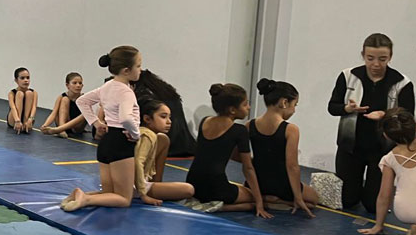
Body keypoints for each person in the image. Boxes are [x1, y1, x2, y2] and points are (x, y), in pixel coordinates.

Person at [328, 33, 415, 213]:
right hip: (350, 146)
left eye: (382, 59)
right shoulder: (348, 76)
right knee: (347, 201)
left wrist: (385, 115)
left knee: (372, 206)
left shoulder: (402, 83)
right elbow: (332, 107)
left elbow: (407, 117)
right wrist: (347, 109)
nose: (376, 64)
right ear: (363, 55)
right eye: (370, 58)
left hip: (383, 149)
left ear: (390, 57)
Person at [61, 97, 194, 211]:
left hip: (126, 180)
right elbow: (138, 163)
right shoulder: (148, 136)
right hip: (134, 185)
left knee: (111, 193)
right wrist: (144, 194)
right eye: (163, 117)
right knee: (188, 189)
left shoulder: (140, 132)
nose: (169, 121)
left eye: (169, 117)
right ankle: (87, 198)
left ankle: (83, 195)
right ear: (147, 119)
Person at [60, 47, 142, 211]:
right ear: (126, 70)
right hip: (121, 142)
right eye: (138, 66)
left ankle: (79, 194)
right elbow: (126, 118)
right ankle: (86, 199)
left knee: (109, 193)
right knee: (124, 198)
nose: (140, 70)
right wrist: (136, 134)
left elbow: (82, 101)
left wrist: (96, 123)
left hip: (106, 142)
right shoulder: (126, 92)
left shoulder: (107, 86)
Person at [186, 84, 271, 217]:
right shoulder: (239, 130)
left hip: (193, 184)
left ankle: (211, 203)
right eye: (245, 104)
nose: (249, 107)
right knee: (254, 197)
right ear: (232, 110)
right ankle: (221, 207)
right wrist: (259, 202)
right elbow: (248, 168)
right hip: (216, 188)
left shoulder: (204, 121)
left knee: (244, 192)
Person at [359, 108, 416, 235]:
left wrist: (378, 226)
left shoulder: (388, 159)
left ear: (386, 136)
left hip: (403, 212)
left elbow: (384, 196)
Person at [250, 78, 318, 216]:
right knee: (314, 199)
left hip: (257, 183)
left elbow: (238, 156)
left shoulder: (249, 125)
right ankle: (281, 200)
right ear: (284, 103)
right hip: (282, 187)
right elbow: (292, 166)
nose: (294, 110)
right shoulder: (291, 129)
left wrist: (257, 161)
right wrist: (298, 197)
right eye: (295, 105)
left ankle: (266, 199)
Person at [133, 69, 196, 156]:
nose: (169, 121)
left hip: (164, 145)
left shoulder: (144, 94)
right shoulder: (166, 91)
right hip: (184, 144)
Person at [41, 72, 87, 138]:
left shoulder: (84, 98)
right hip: (63, 123)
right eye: (74, 83)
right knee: (65, 99)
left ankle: (61, 129)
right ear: (67, 85)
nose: (78, 85)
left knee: (87, 110)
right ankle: (61, 129)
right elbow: (54, 113)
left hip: (76, 127)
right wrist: (45, 125)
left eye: (80, 83)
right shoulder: (61, 97)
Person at [7, 67, 37, 134]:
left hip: (27, 119)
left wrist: (30, 119)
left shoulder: (34, 92)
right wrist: (17, 120)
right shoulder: (12, 93)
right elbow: (13, 108)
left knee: (29, 93)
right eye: (22, 78)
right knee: (19, 94)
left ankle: (25, 122)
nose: (26, 80)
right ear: (16, 80)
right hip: (14, 118)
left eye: (28, 78)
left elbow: (34, 107)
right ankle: (19, 122)